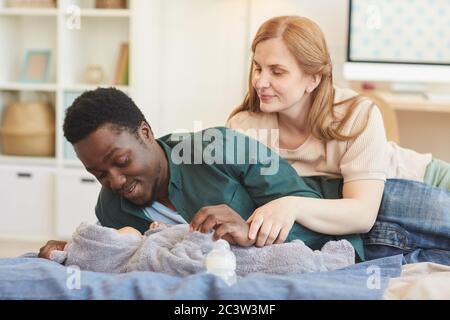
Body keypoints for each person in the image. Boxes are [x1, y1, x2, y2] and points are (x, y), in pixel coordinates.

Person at [39, 87, 366, 260]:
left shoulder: (218, 148)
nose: (116, 182)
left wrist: (251, 233)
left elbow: (312, 210)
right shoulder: (109, 207)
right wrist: (73, 248)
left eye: (121, 161)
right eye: (99, 174)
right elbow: (118, 254)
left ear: (145, 132)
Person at [226, 15, 450, 264]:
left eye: (277, 72)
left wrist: (291, 206)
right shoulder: (245, 129)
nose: (260, 82)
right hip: (369, 224)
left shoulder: (356, 113)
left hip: (418, 182)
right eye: (257, 68)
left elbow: (363, 213)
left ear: (314, 78)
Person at [46, 220, 355, 276]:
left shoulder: (142, 247)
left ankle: (324, 258)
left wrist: (161, 232)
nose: (120, 228)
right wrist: (197, 236)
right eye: (114, 232)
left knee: (285, 250)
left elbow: (162, 243)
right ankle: (326, 262)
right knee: (286, 258)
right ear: (108, 251)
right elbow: (187, 265)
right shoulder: (142, 262)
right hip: (232, 259)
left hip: (228, 247)